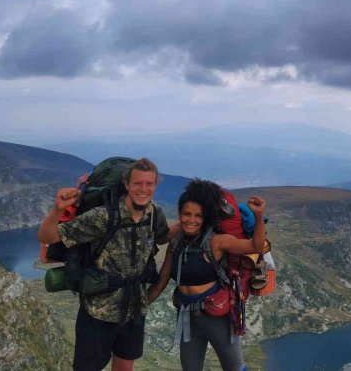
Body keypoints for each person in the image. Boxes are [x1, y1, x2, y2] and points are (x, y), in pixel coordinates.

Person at [38, 158, 172, 371]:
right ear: (127, 184)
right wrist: (57, 211)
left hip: (134, 309)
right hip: (98, 312)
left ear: (155, 185)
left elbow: (163, 237)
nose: (143, 189)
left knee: (125, 366)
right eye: (138, 183)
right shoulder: (103, 216)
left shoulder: (154, 213)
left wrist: (190, 224)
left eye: (149, 184)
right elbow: (46, 235)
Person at [147, 179, 266, 371]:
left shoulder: (216, 242)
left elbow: (256, 246)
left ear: (206, 217)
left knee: (234, 368)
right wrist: (140, 306)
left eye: (198, 215)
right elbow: (161, 283)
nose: (191, 220)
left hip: (218, 316)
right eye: (186, 214)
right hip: (186, 316)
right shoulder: (176, 244)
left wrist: (259, 216)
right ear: (179, 215)